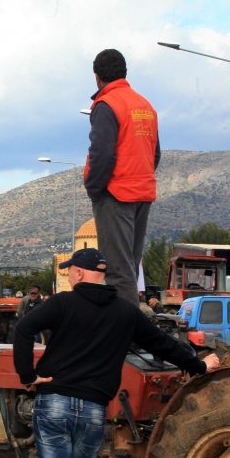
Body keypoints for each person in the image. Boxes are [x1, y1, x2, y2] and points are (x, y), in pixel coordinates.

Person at [12, 248, 218, 458]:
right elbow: (164, 345)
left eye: (70, 270)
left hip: (55, 405)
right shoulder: (126, 312)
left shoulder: (63, 304)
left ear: (79, 273)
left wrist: (27, 375)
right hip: (94, 411)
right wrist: (200, 366)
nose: (69, 275)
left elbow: (23, 329)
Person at [84, 49, 160, 304]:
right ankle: (129, 330)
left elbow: (102, 154)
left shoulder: (107, 105)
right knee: (130, 265)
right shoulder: (145, 105)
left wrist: (95, 189)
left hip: (116, 195)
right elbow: (155, 153)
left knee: (117, 271)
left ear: (97, 77)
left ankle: (123, 335)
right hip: (142, 193)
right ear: (124, 72)